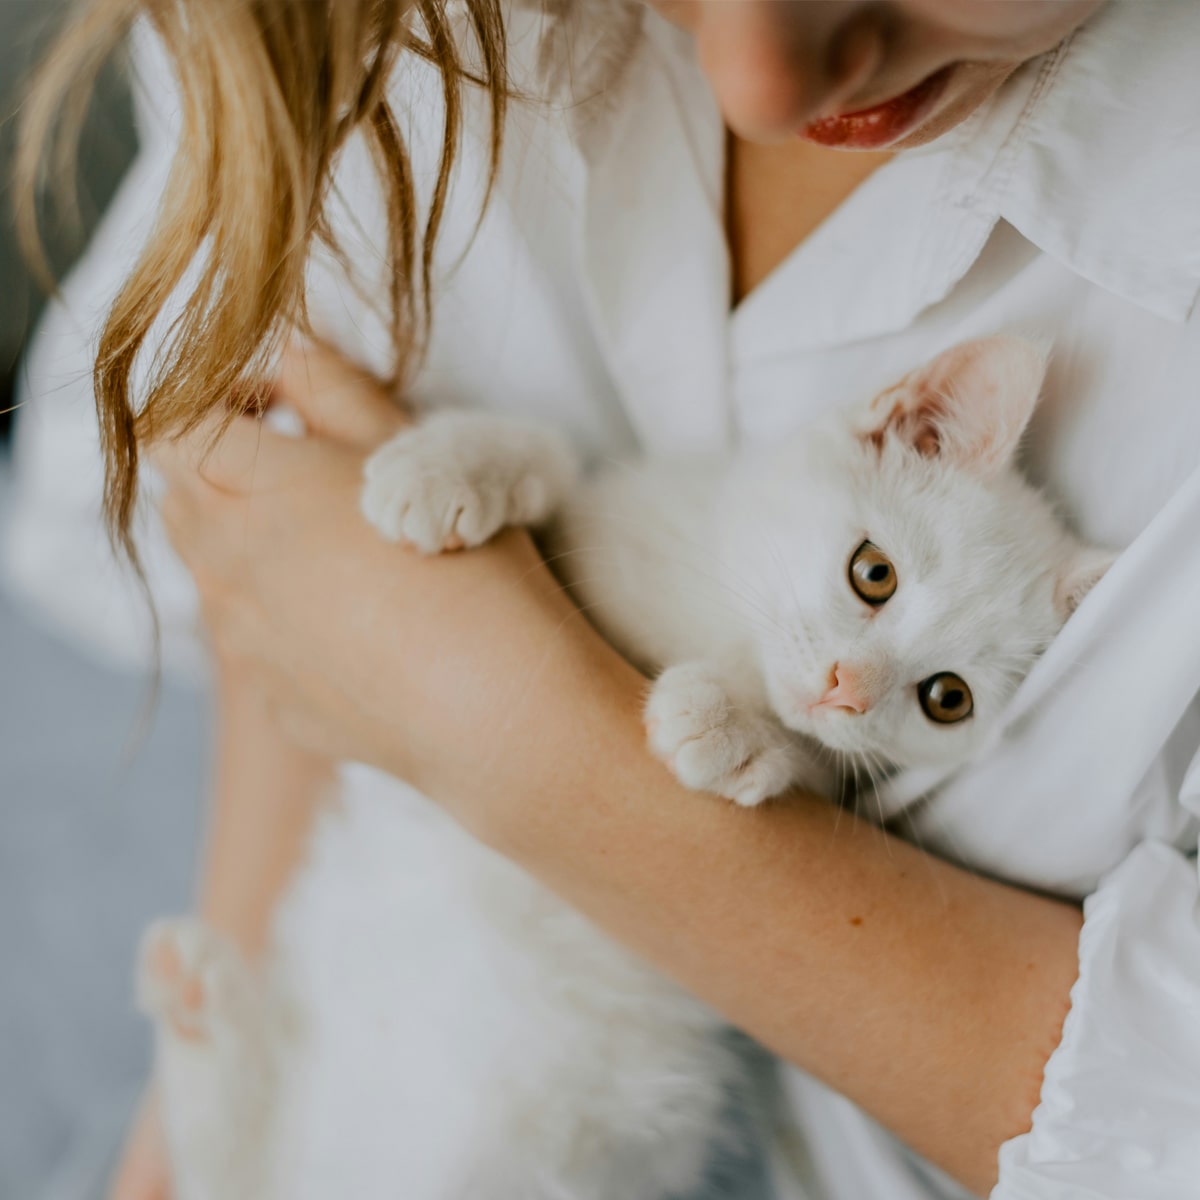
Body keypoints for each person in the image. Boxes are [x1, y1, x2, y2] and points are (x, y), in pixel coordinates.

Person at [8, 1, 1200, 1197]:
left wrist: (532, 746)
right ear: (900, 421)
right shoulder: (375, 38)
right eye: (875, 581)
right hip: (303, 859)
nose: (760, 82)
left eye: (941, 695)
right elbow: (295, 574)